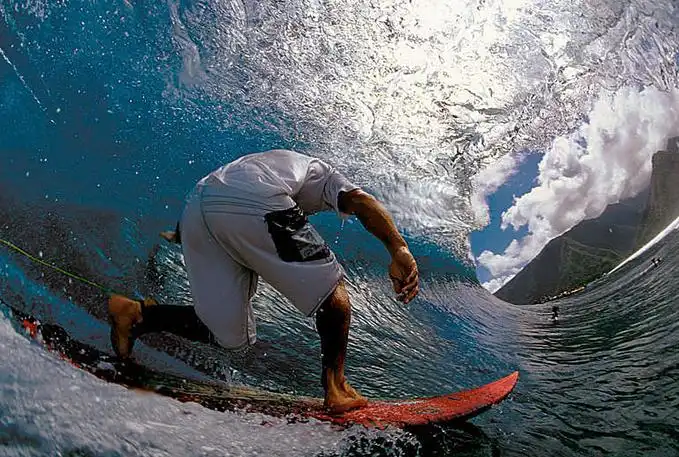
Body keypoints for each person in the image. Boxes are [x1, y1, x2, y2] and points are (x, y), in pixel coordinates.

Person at [108, 149, 419, 413]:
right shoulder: (326, 176)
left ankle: (137, 315)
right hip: (257, 199)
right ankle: (336, 388)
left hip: (198, 206)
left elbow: (221, 197)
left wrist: (184, 234)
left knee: (230, 335)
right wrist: (399, 249)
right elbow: (362, 203)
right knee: (331, 289)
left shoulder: (270, 164)